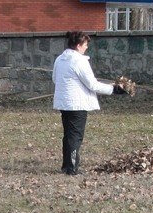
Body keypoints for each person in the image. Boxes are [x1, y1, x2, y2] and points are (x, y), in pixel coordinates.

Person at [52, 30, 128, 175]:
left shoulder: (60, 59)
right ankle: (71, 168)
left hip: (64, 103)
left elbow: (55, 79)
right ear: (79, 45)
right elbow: (92, 85)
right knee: (75, 136)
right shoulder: (79, 61)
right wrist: (114, 90)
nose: (87, 47)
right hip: (77, 104)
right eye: (85, 44)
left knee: (68, 135)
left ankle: (67, 165)